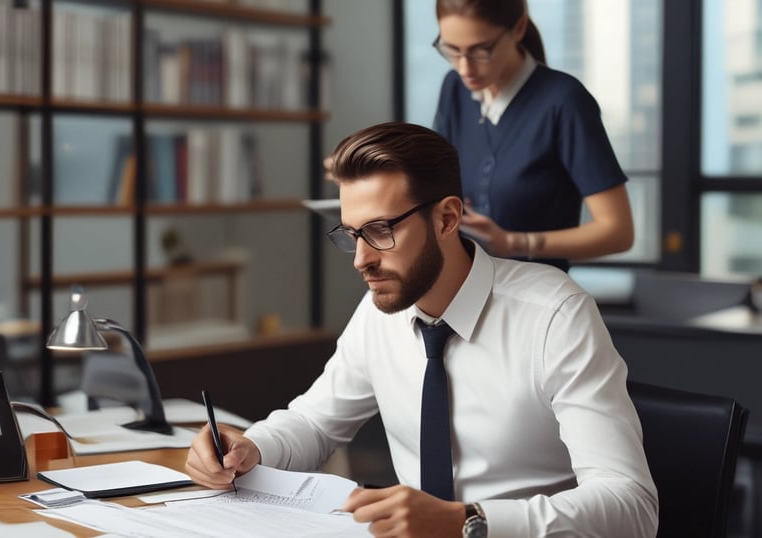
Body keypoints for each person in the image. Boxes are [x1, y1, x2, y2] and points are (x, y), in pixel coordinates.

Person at [186, 122, 657, 537]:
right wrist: (249, 448)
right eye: (351, 234)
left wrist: (469, 523)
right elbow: (314, 422)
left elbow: (631, 506)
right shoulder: (378, 311)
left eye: (380, 230)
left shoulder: (554, 315)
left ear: (448, 218)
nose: (362, 259)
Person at [432, 0, 634, 272]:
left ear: (519, 28)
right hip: (461, 289)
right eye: (452, 50)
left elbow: (618, 232)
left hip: (537, 300)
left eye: (481, 50)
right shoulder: (453, 88)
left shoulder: (565, 102)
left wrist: (515, 242)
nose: (465, 68)